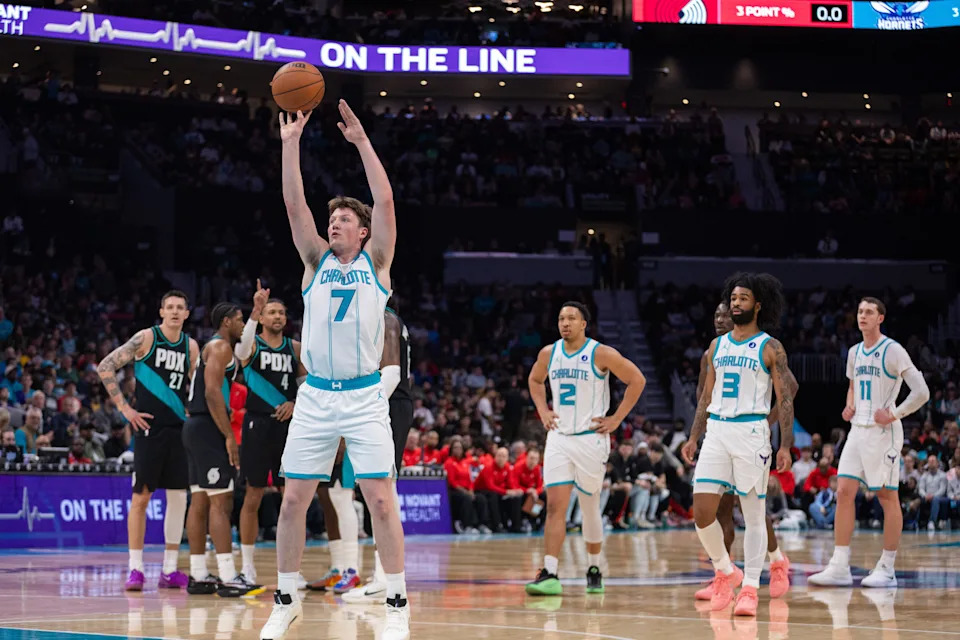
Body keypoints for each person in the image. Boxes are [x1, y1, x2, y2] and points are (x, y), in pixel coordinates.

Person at [262, 101, 408, 640]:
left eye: (344, 219)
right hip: (317, 397)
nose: (334, 224)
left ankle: (397, 605)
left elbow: (385, 200)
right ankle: (286, 600)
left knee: (381, 502)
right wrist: (290, 144)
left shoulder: (377, 263)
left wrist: (363, 143)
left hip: (365, 396)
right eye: (332, 220)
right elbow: (293, 203)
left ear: (364, 232)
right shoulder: (314, 262)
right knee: (293, 501)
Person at [680, 273, 795, 617]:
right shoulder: (717, 347)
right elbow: (705, 398)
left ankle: (750, 589)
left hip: (751, 431)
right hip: (717, 430)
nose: (735, 303)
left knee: (753, 514)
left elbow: (785, 399)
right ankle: (726, 571)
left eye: (743, 298)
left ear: (757, 305)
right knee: (702, 513)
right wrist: (693, 436)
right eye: (733, 298)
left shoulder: (770, 347)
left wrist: (785, 445)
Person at [525, 301, 646, 596]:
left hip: (590, 439)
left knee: (590, 506)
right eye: (561, 318)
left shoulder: (600, 353)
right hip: (559, 438)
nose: (565, 323)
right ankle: (550, 572)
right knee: (555, 506)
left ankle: (594, 567)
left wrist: (616, 419)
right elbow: (535, 380)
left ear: (583, 324)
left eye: (571, 318)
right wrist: (542, 410)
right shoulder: (548, 353)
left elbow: (637, 380)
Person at [809, 297, 929, 588]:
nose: (862, 316)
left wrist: (894, 413)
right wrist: (849, 405)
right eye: (860, 311)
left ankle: (887, 568)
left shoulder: (893, 350)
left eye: (869, 312)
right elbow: (852, 387)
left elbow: (922, 392)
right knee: (844, 492)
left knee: (887, 496)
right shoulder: (854, 352)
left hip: (883, 433)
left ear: (880, 318)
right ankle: (839, 565)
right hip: (857, 430)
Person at [97, 290, 199, 592]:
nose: (175, 311)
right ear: (161, 311)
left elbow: (198, 386)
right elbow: (105, 366)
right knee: (141, 498)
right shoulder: (146, 338)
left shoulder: (191, 346)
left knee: (178, 498)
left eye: (180, 307)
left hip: (179, 430)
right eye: (170, 307)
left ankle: (169, 569)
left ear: (187, 313)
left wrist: (194, 413)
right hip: (148, 429)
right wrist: (125, 409)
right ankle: (136, 569)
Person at [182, 302, 263, 597]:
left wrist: (255, 315)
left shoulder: (218, 346)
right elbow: (212, 392)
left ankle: (199, 574)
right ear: (227, 322)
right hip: (208, 427)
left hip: (195, 427)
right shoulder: (220, 348)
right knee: (221, 502)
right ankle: (229, 576)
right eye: (239, 320)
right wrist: (229, 436)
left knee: (199, 500)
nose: (242, 325)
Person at [342, 303, 416, 603]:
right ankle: (384, 575)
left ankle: (385, 576)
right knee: (381, 489)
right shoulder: (388, 319)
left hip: (389, 404)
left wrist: (363, 409)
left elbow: (392, 374)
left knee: (382, 489)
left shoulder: (385, 319)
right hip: (392, 404)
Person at [236, 287, 306, 583]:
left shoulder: (296, 348)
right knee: (253, 494)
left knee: (292, 497)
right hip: (256, 424)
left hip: (288, 426)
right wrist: (254, 311)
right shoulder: (252, 345)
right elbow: (239, 353)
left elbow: (306, 386)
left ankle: (292, 569)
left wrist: (295, 402)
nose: (277, 316)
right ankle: (247, 567)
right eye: (271, 312)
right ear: (262, 318)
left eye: (281, 313)